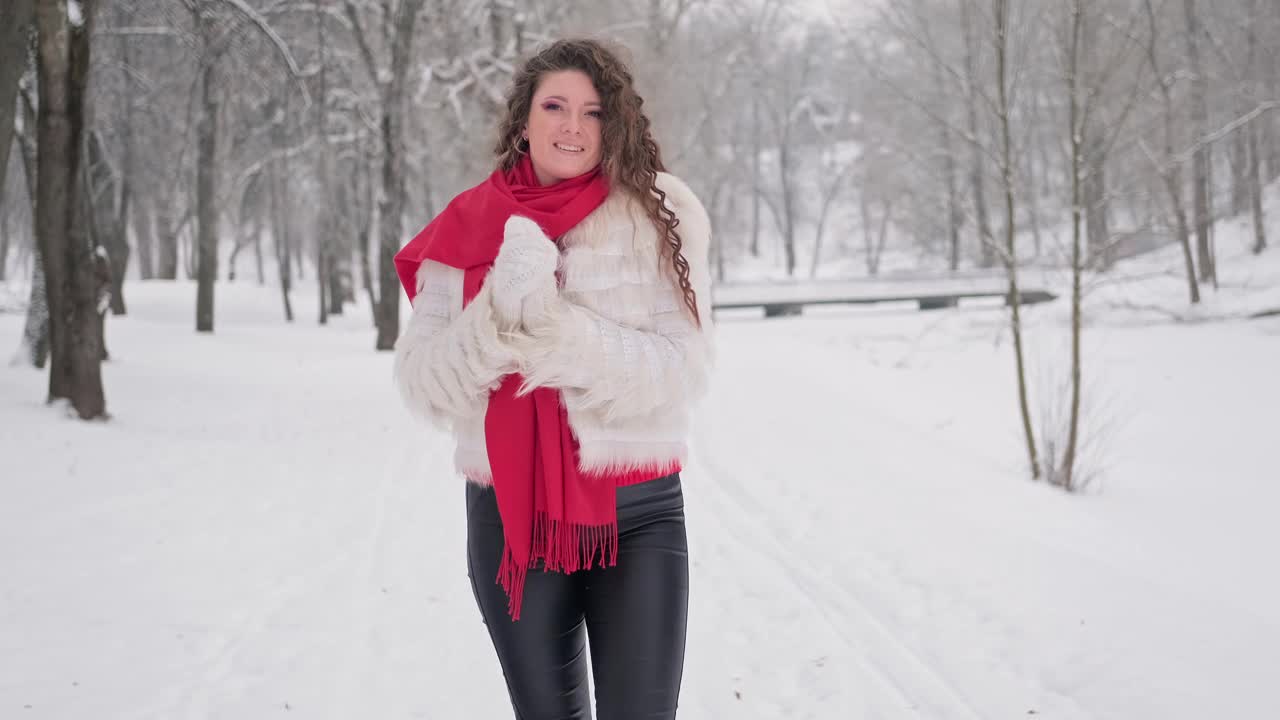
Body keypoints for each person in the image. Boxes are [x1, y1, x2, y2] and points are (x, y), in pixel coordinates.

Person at [391, 38, 714, 720]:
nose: (572, 126)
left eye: (593, 112)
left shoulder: (661, 216)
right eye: (556, 106)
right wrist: (499, 313)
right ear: (523, 120)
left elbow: (680, 368)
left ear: (615, 123)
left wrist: (554, 330)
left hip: (640, 510)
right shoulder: (467, 225)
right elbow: (423, 381)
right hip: (513, 516)